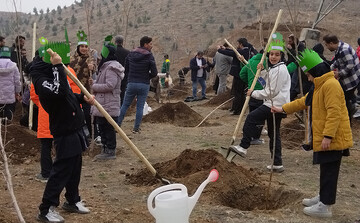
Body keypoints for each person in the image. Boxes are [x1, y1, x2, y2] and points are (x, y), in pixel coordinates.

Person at [272, 49, 352, 218]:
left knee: (330, 171)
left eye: (309, 75)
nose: (308, 78)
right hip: (326, 137)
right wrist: (282, 108)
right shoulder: (320, 85)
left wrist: (328, 136)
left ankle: (325, 206)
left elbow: (334, 112)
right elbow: (304, 102)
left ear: (316, 72)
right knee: (325, 169)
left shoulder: (330, 85)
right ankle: (323, 198)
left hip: (332, 139)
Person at [30, 40, 92, 222]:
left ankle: (72, 200)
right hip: (64, 130)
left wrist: (82, 98)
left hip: (75, 127)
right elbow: (59, 91)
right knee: (61, 170)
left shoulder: (54, 73)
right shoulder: (41, 80)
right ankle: (46, 209)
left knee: (74, 168)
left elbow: (68, 95)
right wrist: (58, 68)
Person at [229, 33, 291, 172]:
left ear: (281, 56)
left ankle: (244, 146)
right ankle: (277, 163)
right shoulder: (274, 69)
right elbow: (264, 83)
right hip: (273, 103)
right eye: (271, 54)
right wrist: (261, 71)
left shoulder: (281, 69)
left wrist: (253, 94)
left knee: (251, 118)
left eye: (276, 54)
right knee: (274, 135)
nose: (273, 57)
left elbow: (271, 91)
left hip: (275, 104)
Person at [31, 42, 81, 183]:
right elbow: (73, 92)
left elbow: (34, 95)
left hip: (48, 113)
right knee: (57, 145)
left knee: (47, 145)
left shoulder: (47, 74)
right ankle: (54, 173)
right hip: (64, 114)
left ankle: (47, 173)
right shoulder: (66, 71)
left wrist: (44, 105)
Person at [91, 37, 124, 160]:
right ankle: (105, 148)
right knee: (102, 127)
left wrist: (94, 86)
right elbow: (103, 82)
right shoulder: (106, 66)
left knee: (108, 128)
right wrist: (93, 81)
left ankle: (110, 150)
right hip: (103, 103)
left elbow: (110, 85)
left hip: (109, 104)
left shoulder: (111, 67)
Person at [117, 36, 157, 133]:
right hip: (144, 84)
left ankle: (117, 126)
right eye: (150, 44)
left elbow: (126, 69)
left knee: (125, 105)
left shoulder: (131, 54)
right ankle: (136, 128)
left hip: (132, 83)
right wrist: (148, 76)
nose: (152, 46)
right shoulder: (149, 56)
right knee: (140, 106)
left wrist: (131, 77)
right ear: (145, 44)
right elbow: (155, 72)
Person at [323, 34, 360, 121]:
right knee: (346, 97)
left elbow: (350, 65)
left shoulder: (344, 50)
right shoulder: (339, 48)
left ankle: (348, 118)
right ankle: (354, 106)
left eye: (326, 45)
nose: (327, 47)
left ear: (331, 43)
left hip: (351, 79)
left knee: (344, 98)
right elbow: (338, 60)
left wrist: (339, 74)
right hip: (348, 78)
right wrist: (330, 68)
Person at [70, 30, 96, 139]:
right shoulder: (72, 59)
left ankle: (91, 135)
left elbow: (94, 70)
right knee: (75, 114)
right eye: (82, 47)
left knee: (87, 114)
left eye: (86, 46)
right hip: (73, 89)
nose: (84, 49)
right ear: (78, 48)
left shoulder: (91, 59)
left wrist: (92, 68)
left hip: (86, 89)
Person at [217, 38, 251, 115]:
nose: (237, 45)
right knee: (240, 93)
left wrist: (220, 50)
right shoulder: (246, 51)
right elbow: (233, 51)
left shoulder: (242, 52)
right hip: (241, 75)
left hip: (239, 75)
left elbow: (232, 53)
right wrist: (225, 48)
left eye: (238, 44)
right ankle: (237, 108)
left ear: (241, 44)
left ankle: (237, 110)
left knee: (238, 93)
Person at [0, 46, 21, 124]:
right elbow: (17, 81)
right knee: (8, 116)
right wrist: (17, 92)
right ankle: (6, 129)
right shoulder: (14, 66)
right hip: (9, 95)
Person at [114, 35, 130, 106]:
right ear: (122, 42)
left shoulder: (112, 51)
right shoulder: (127, 52)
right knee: (122, 95)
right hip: (124, 76)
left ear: (115, 42)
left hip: (113, 76)